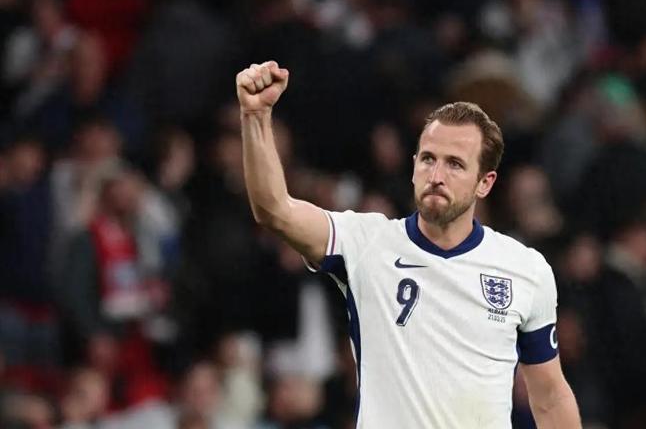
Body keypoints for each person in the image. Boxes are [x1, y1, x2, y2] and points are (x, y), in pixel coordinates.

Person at [236, 61, 581, 428]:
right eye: (428, 159)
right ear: (414, 166)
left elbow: (549, 397)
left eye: (455, 164)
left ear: (485, 182)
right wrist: (255, 116)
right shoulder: (365, 244)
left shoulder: (525, 269)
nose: (436, 175)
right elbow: (275, 210)